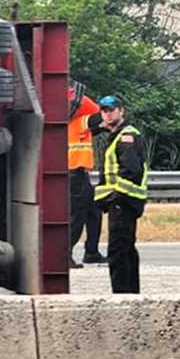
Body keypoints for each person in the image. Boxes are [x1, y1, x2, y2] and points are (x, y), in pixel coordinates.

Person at [93, 95, 148, 293]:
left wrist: (114, 196)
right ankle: (130, 293)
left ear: (121, 111)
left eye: (112, 110)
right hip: (121, 201)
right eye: (104, 111)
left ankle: (122, 294)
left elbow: (130, 171)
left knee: (118, 251)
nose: (107, 114)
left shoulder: (126, 137)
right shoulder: (117, 135)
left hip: (123, 201)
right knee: (126, 250)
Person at [67, 84, 107, 269]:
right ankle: (65, 254)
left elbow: (99, 127)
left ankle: (91, 252)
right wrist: (113, 110)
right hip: (74, 173)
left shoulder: (74, 123)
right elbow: (99, 117)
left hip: (79, 175)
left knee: (94, 211)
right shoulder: (80, 121)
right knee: (77, 215)